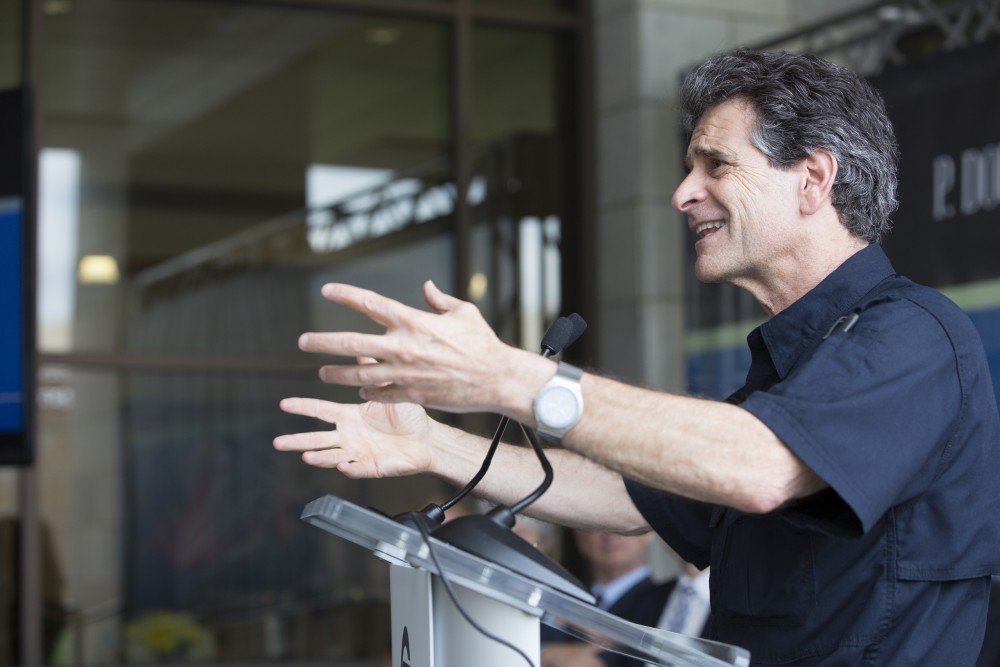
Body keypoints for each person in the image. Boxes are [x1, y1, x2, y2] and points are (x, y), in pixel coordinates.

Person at [273, 48, 1000, 665]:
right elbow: (625, 500)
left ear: (813, 179)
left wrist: (510, 376)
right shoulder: (789, 369)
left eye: (716, 164)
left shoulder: (915, 336)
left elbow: (760, 467)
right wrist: (432, 441)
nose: (684, 193)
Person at [540, 531, 709, 667]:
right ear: (580, 540)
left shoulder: (663, 600)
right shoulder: (563, 601)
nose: (610, 534)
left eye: (620, 526)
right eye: (596, 526)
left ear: (648, 532)